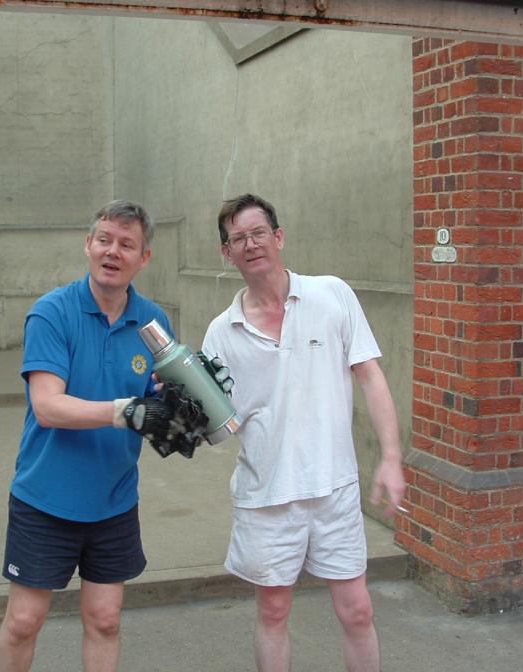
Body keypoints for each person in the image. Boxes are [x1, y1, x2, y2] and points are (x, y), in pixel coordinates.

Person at [0, 200, 206, 672]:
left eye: (126, 244)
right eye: (105, 240)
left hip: (113, 500)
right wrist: (127, 411)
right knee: (25, 620)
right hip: (45, 498)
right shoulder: (52, 313)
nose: (113, 251)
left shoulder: (153, 323)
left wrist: (179, 408)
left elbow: (163, 396)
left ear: (143, 258)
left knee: (106, 619)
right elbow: (48, 406)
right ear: (89, 245)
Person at [201, 194, 406, 672]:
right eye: (238, 239)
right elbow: (220, 427)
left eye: (258, 233)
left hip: (334, 488)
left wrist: (392, 457)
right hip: (267, 494)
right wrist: (185, 414)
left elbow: (370, 376)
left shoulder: (331, 294)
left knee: (358, 610)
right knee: (273, 611)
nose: (250, 244)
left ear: (278, 237)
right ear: (226, 253)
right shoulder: (220, 333)